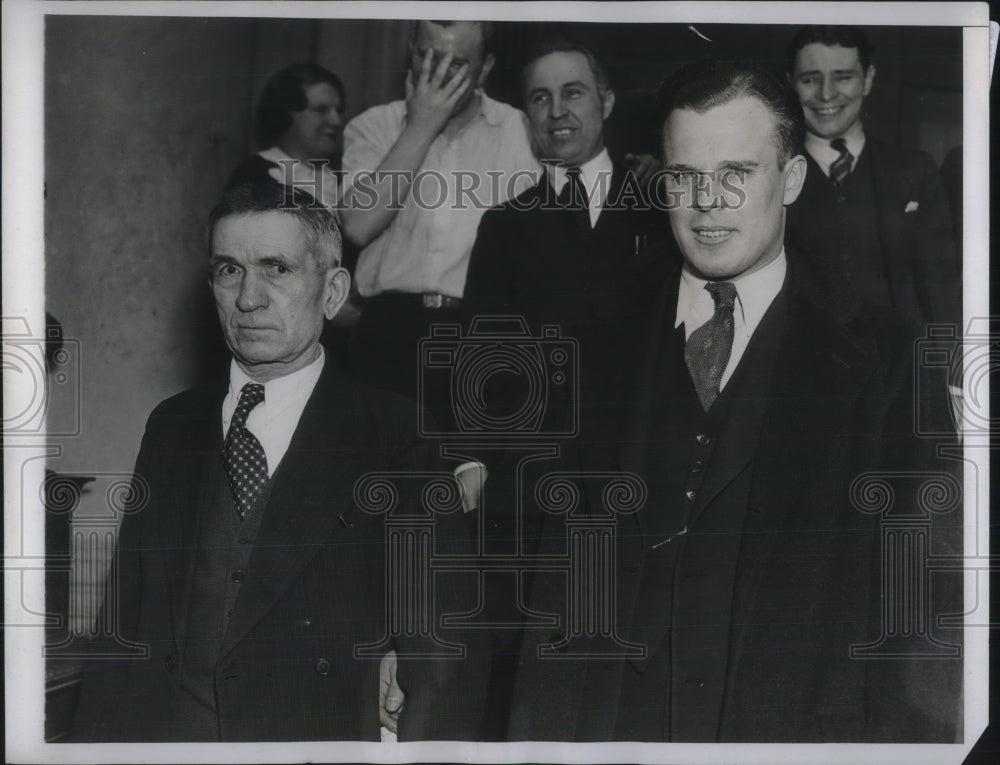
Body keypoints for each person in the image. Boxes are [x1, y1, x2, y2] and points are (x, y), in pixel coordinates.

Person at [508, 60, 961, 743]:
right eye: (685, 176)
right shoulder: (591, 340)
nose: (706, 201)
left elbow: (917, 604)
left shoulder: (889, 355)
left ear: (793, 178)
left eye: (737, 173)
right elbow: (553, 585)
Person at [70, 183, 481, 742]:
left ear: (333, 292)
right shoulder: (172, 425)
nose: (248, 298)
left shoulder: (397, 436)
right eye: (228, 270)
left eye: (277, 269)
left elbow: (438, 659)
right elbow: (123, 623)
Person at [340, 20, 539, 414]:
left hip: (482, 333)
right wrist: (423, 124)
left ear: (485, 68)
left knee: (466, 470)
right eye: (426, 55)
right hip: (387, 332)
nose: (436, 73)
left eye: (457, 63)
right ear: (409, 51)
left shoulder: (522, 132)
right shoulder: (374, 126)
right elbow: (358, 225)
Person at [462, 36, 672, 388]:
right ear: (528, 117)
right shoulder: (503, 226)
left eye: (573, 92)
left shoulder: (659, 205)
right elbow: (484, 364)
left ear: (605, 103)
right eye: (540, 97)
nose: (557, 110)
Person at [784, 26, 959, 332]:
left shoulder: (916, 171)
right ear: (791, 84)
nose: (826, 94)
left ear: (868, 79)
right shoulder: (775, 173)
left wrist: (953, 373)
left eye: (843, 77)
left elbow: (941, 288)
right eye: (810, 79)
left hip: (898, 368)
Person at [226, 63, 345, 208]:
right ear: (286, 114)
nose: (336, 121)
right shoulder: (254, 175)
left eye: (339, 110)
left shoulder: (344, 176)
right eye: (321, 110)